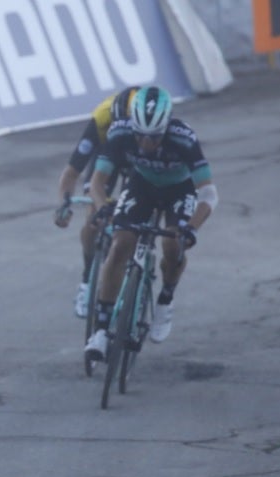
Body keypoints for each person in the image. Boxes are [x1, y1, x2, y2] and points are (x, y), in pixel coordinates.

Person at [84, 85, 217, 360]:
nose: (146, 144)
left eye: (154, 138)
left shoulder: (184, 138)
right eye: (140, 136)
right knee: (120, 245)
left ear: (166, 127)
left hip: (179, 189)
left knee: (172, 245)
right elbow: (97, 182)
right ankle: (100, 331)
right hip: (142, 185)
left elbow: (208, 193)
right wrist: (102, 207)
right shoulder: (120, 132)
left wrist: (191, 228)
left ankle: (165, 300)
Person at [55, 86, 139, 318]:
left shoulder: (149, 121)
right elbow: (72, 172)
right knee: (95, 218)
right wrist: (64, 205)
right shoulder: (101, 119)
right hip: (107, 153)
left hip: (141, 153)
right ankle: (87, 279)